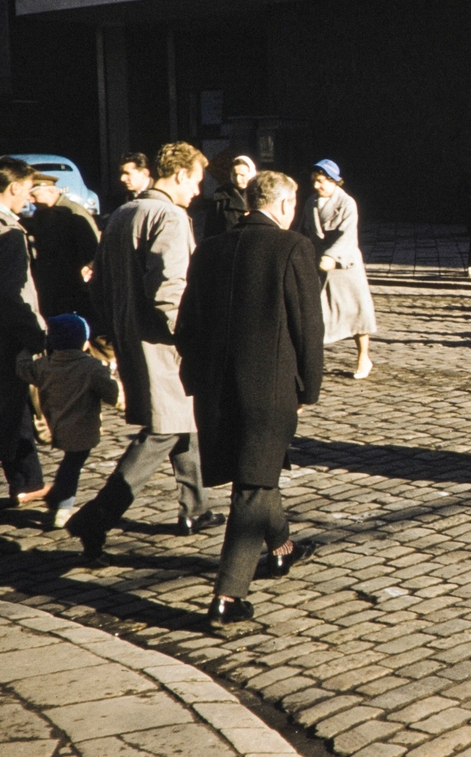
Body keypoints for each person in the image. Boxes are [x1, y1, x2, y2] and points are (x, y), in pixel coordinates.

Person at [176, 170, 323, 629]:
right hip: (270, 387)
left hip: (215, 388)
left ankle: (282, 549)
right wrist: (309, 387)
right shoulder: (292, 247)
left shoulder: (209, 249)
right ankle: (228, 595)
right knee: (253, 485)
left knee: (258, 469)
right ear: (283, 205)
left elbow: (185, 328)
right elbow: (308, 328)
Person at [70, 143, 223, 564]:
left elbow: (97, 284)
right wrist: (191, 339)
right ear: (178, 175)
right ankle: (97, 516)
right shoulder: (169, 216)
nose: (197, 190)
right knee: (164, 428)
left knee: (180, 416)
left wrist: (118, 324)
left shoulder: (123, 213)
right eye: (194, 180)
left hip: (130, 334)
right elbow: (170, 292)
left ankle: (195, 508)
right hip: (163, 342)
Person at [17, 314, 117, 528]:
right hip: (84, 428)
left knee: (71, 461)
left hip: (57, 426)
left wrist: (26, 350)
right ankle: (62, 505)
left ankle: (58, 496)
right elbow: (112, 394)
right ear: (84, 340)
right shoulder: (92, 367)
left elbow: (23, 369)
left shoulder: (44, 365)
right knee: (73, 464)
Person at [0, 157, 48, 506]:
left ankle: (27, 480)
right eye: (28, 189)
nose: (30, 197)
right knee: (14, 408)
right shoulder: (10, 234)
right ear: (14, 187)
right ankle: (27, 482)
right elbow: (11, 293)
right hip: (7, 335)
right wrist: (34, 334)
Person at [301, 161, 377, 380]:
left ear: (334, 181)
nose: (317, 185)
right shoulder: (311, 202)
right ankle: (311, 361)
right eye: (314, 180)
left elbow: (348, 235)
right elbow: (304, 229)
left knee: (357, 312)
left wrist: (331, 256)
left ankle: (364, 356)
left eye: (322, 181)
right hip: (319, 264)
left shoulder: (347, 203)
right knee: (317, 314)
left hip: (344, 265)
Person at [22, 172, 99, 324]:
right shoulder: (41, 214)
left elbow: (93, 251)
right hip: (50, 289)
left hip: (72, 289)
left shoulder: (73, 213)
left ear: (51, 191)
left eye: (34, 195)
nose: (29, 200)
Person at [206, 156, 256, 239]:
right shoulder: (221, 197)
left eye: (242, 175)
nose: (238, 179)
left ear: (250, 174)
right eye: (235, 175)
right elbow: (211, 229)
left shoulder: (258, 194)